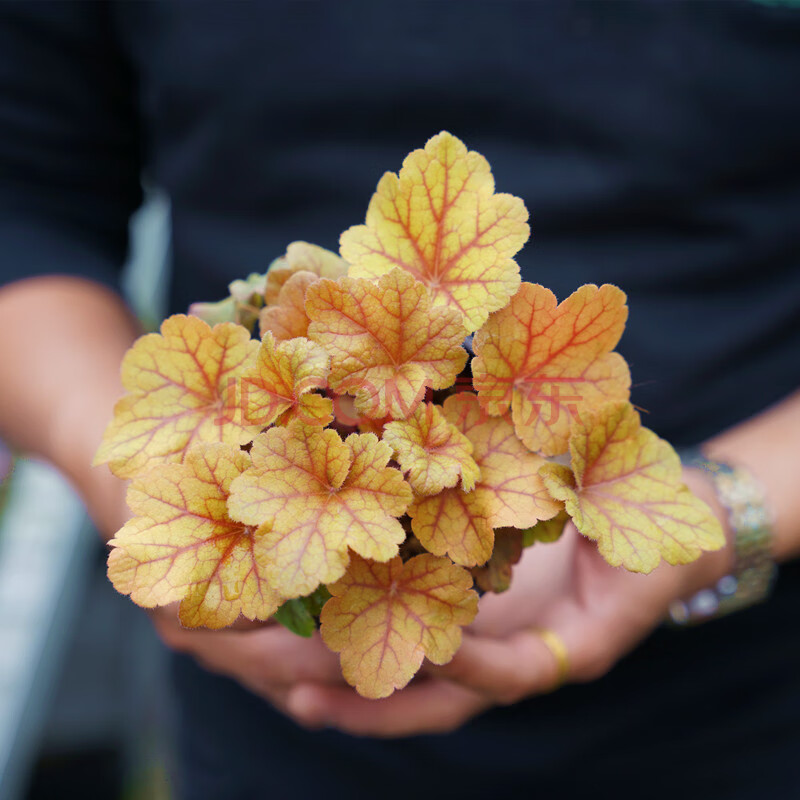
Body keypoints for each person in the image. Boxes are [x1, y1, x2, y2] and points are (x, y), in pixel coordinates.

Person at [1, 2, 799, 798]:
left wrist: (731, 510)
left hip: (739, 720)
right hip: (274, 755)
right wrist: (117, 470)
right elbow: (26, 207)